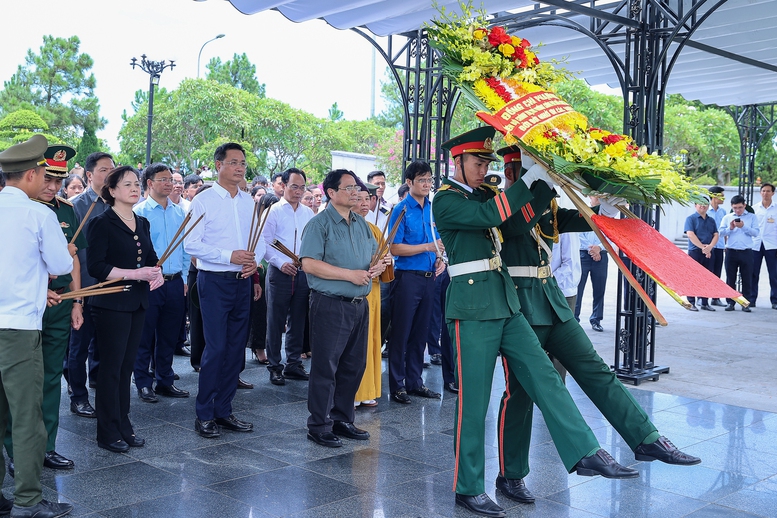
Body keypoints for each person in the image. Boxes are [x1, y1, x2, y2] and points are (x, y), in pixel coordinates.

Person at [434, 128, 637, 518]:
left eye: (487, 164)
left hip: (506, 302)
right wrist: (531, 176)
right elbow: (491, 216)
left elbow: (515, 223)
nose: (483, 170)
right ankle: (467, 487)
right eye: (478, 163)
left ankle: (586, 451)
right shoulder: (446, 200)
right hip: (472, 308)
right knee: (474, 403)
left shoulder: (487, 195)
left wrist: (562, 190)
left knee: (545, 375)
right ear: (456, 162)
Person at [497, 144, 701, 508]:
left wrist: (606, 204)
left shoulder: (545, 203)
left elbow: (584, 219)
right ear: (513, 173)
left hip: (553, 304)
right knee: (521, 395)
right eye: (522, 170)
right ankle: (510, 474)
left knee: (597, 371)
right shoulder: (500, 205)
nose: (520, 176)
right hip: (519, 308)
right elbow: (517, 224)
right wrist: (538, 181)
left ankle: (645, 438)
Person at [0, 135, 75, 518]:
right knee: (26, 417)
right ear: (30, 174)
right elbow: (62, 266)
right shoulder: (39, 214)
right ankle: (27, 501)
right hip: (18, 331)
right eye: (44, 173)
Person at [299, 169, 388, 448]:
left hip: (359, 305)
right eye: (349, 188)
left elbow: (374, 257)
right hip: (330, 304)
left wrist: (378, 266)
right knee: (326, 367)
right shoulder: (319, 224)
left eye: (356, 188)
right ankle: (319, 424)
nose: (355, 193)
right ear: (331, 193)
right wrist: (349, 275)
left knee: (353, 365)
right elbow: (309, 264)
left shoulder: (361, 224)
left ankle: (342, 418)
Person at [184, 142, 264, 439]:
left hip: (242, 281)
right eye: (233, 162)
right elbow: (190, 244)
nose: (240, 167)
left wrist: (254, 260)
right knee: (215, 348)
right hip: (214, 281)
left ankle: (224, 410)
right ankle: (204, 413)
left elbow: (261, 238)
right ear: (218, 165)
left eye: (242, 162)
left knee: (235, 349)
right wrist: (228, 255)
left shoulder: (248, 202)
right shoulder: (203, 201)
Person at [87, 166, 164, 453]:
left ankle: (124, 423)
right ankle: (107, 431)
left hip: (138, 302)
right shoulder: (102, 223)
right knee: (111, 369)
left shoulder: (142, 222)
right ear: (112, 191)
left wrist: (156, 273)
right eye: (127, 184)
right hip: (111, 304)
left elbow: (152, 258)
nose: (135, 188)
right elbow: (96, 266)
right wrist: (134, 274)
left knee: (126, 367)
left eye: (136, 184)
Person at [387, 160, 446, 404]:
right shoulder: (400, 209)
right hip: (407, 278)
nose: (426, 184)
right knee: (401, 333)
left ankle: (415, 382)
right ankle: (397, 385)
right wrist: (427, 248)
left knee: (421, 332)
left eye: (429, 180)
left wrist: (439, 258)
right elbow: (394, 247)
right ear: (409, 182)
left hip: (429, 277)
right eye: (422, 180)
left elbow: (439, 241)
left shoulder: (433, 209)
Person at [132, 164, 191, 403]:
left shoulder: (180, 213)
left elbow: (186, 250)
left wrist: (185, 278)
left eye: (172, 179)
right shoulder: (139, 212)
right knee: (144, 335)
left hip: (175, 281)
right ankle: (143, 382)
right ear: (149, 183)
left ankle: (165, 379)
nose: (170, 183)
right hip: (149, 283)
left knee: (168, 335)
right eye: (163, 179)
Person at [68, 152, 115, 419]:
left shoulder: (117, 203)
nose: (109, 174)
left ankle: (99, 383)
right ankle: (78, 396)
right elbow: (74, 252)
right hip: (85, 286)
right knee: (79, 346)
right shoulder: (76, 205)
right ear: (89, 175)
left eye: (112, 169)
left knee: (106, 343)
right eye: (103, 170)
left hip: (112, 285)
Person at [262, 168, 314, 386]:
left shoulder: (308, 213)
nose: (299, 191)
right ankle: (274, 366)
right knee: (275, 320)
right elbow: (263, 244)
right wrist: (281, 263)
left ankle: (293, 363)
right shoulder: (273, 211)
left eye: (302, 187)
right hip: (280, 271)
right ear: (283, 186)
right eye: (294, 186)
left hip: (302, 272)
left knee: (298, 319)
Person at [352, 179, 394, 407]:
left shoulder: (375, 229)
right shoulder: (346, 228)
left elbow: (387, 259)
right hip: (356, 290)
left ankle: (368, 389)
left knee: (372, 340)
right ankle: (353, 391)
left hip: (374, 292)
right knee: (356, 342)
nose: (364, 203)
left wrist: (386, 261)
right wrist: (369, 265)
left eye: (367, 199)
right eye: (358, 199)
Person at [719, 194, 759, 312]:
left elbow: (756, 233)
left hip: (747, 252)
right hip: (731, 251)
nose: (738, 210)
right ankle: (730, 302)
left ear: (744, 205)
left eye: (740, 207)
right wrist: (730, 228)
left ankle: (745, 303)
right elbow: (720, 233)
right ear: (732, 206)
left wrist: (743, 227)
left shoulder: (752, 217)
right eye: (735, 207)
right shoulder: (727, 217)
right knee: (730, 278)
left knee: (747, 278)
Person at [574, 196, 609, 332]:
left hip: (601, 255)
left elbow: (610, 237)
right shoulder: (582, 212)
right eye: (597, 195)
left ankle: (596, 319)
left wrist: (599, 248)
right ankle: (574, 318)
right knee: (579, 288)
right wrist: (592, 249)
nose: (599, 198)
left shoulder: (607, 215)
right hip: (583, 254)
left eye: (602, 196)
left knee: (599, 289)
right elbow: (577, 234)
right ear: (590, 196)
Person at [684, 198, 719, 311]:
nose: (703, 206)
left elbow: (716, 235)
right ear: (695, 205)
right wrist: (703, 247)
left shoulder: (711, 220)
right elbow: (690, 234)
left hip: (708, 252)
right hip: (695, 251)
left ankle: (704, 302)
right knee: (692, 277)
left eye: (705, 204)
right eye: (700, 204)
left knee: (707, 277)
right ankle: (691, 302)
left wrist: (709, 247)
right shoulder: (691, 219)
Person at [752, 183, 777, 309]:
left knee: (774, 274)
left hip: (772, 245)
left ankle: (775, 300)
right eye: (763, 191)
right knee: (753, 273)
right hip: (755, 244)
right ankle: (751, 299)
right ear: (760, 192)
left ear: (773, 193)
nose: (765, 193)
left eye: (768, 191)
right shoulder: (754, 208)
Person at [707, 186, 727, 306]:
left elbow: (723, 230)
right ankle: (702, 297)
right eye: (722, 195)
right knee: (706, 272)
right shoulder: (705, 210)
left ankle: (715, 297)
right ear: (715, 196)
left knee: (717, 272)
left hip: (719, 246)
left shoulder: (723, 212)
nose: (724, 197)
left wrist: (726, 244)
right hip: (709, 247)